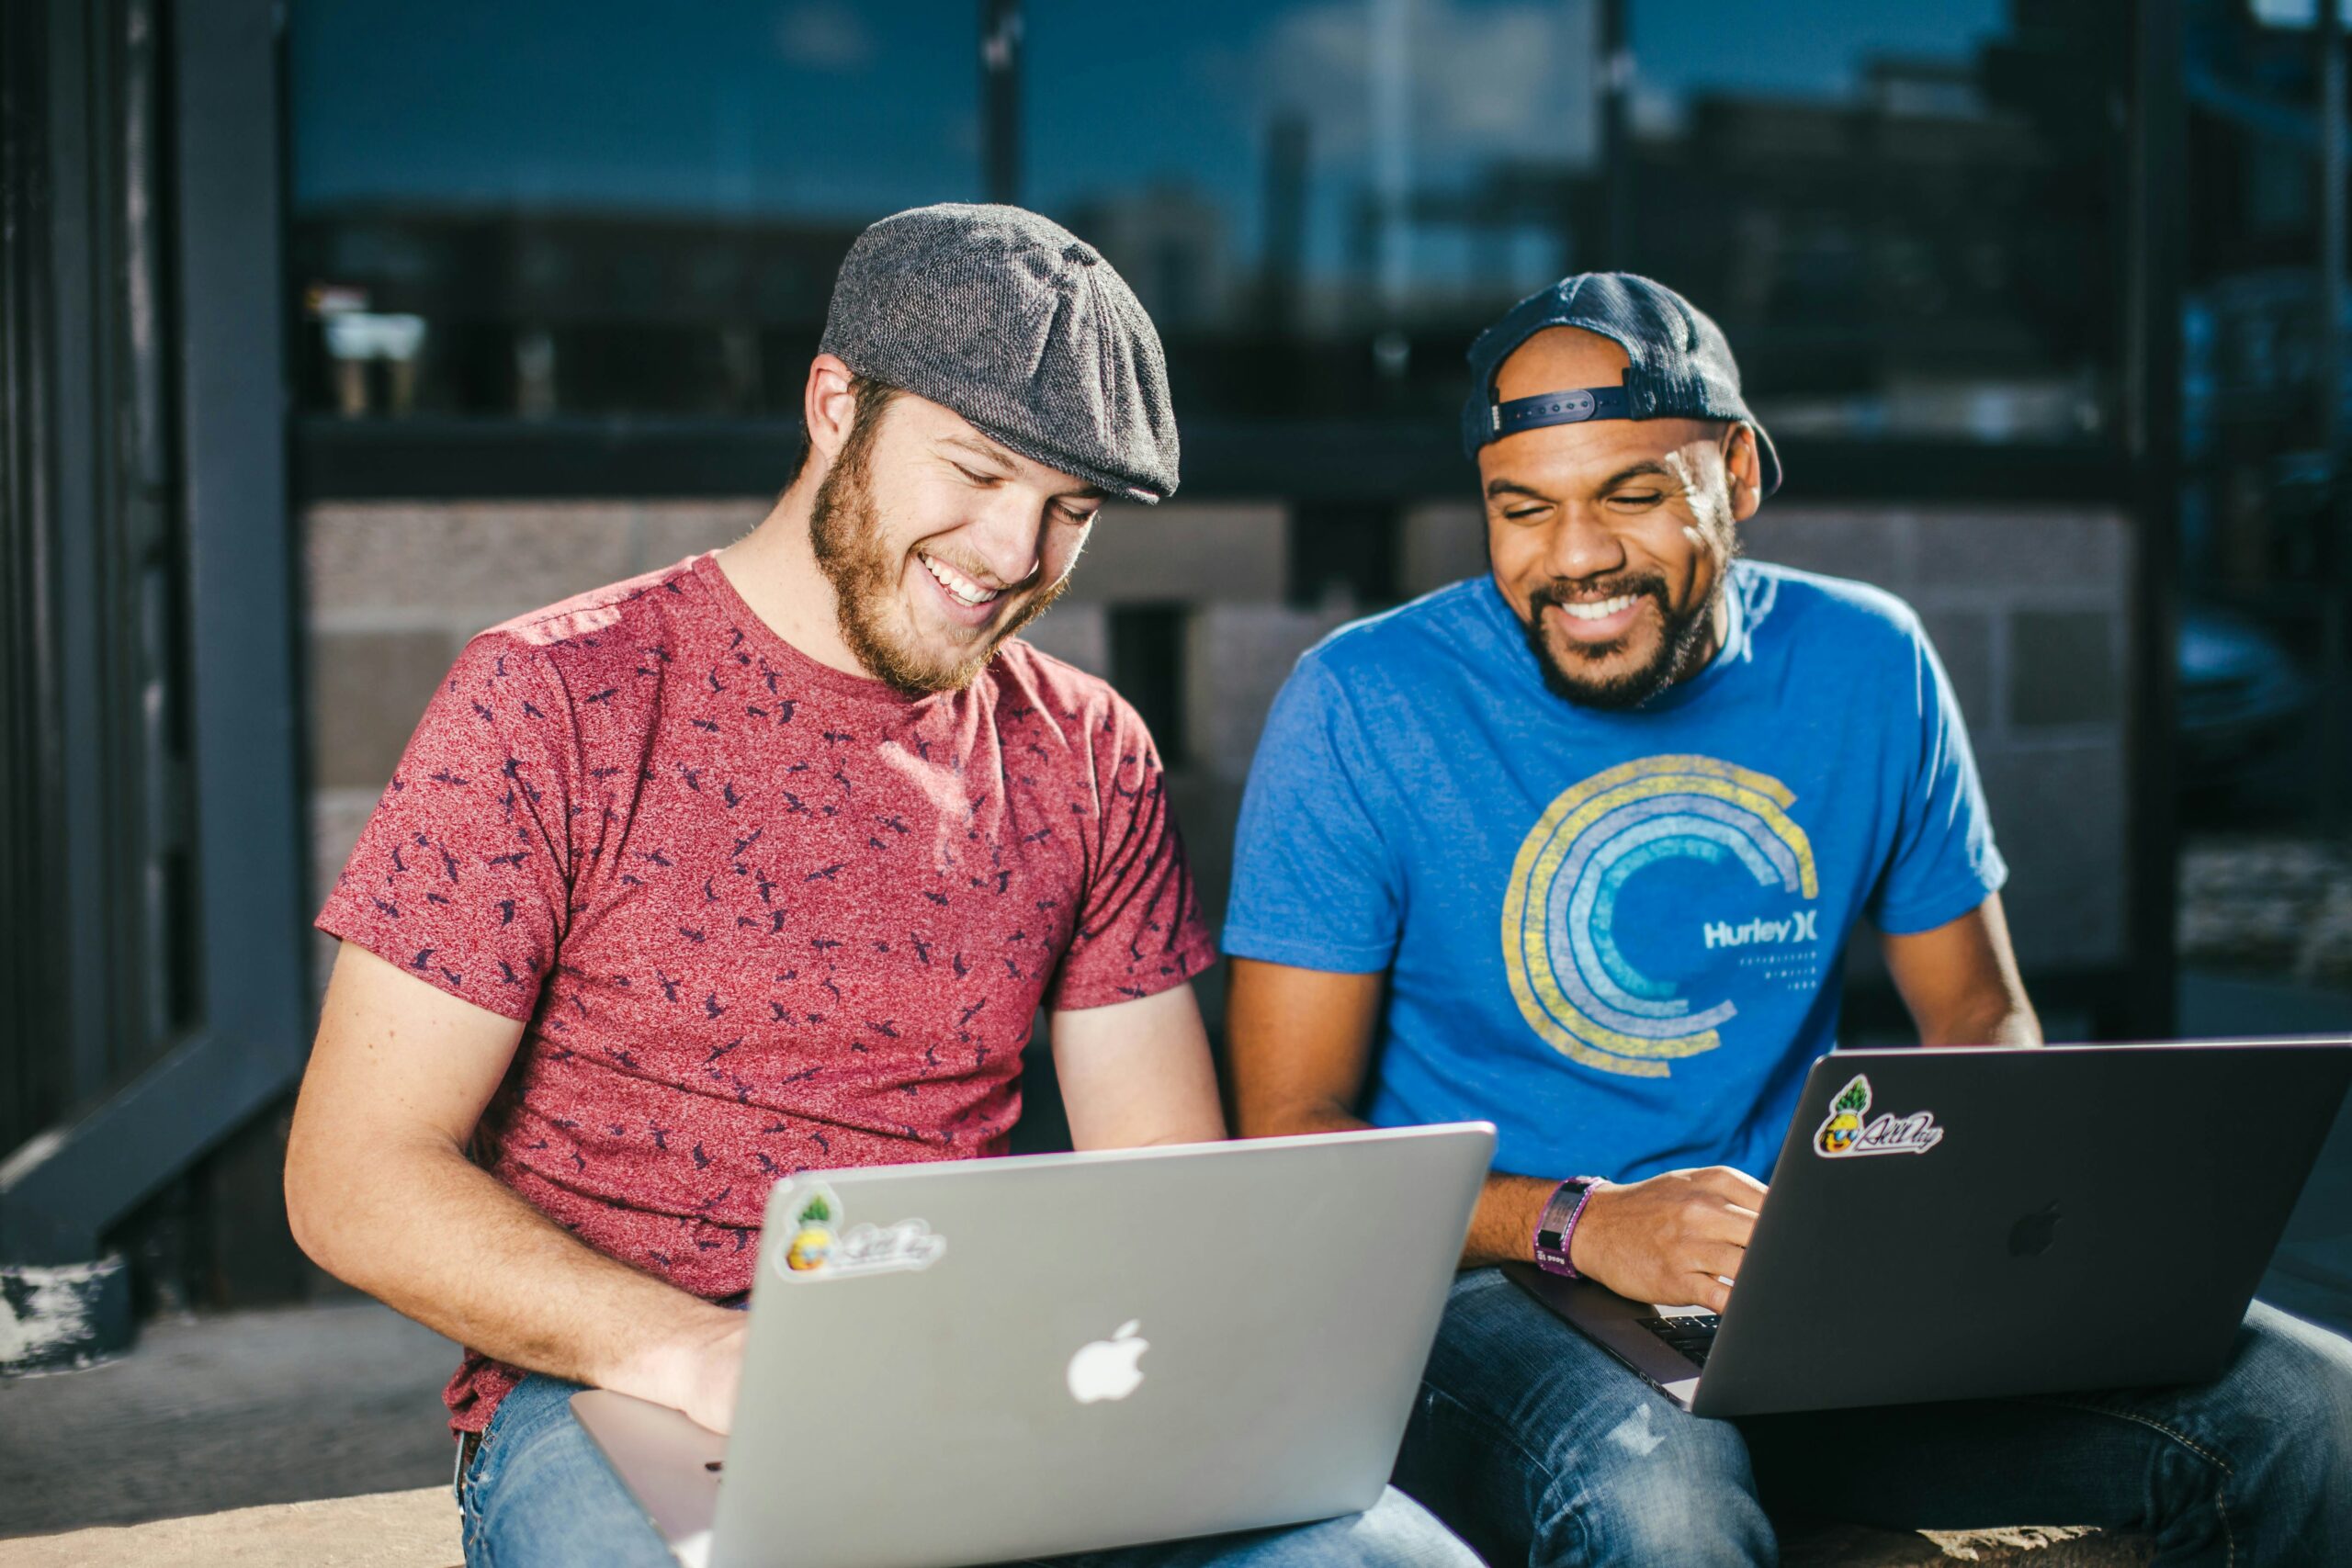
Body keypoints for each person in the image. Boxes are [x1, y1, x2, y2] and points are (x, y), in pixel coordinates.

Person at [285, 204, 1475, 1568]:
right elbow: (353, 1178)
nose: (1015, 554)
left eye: (1069, 511)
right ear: (834, 404)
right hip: (617, 1388)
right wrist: (703, 1355)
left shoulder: (1088, 749)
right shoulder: (552, 695)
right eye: (974, 470)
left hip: (980, 1369)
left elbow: (1161, 1181)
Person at [1222, 271, 2352, 1566]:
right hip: (1486, 1296)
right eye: (1521, 510)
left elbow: (1979, 1011)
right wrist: (1588, 1223)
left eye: (1632, 495)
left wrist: (1958, 1219)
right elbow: (1291, 1130)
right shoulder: (1362, 702)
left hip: (1804, 1294)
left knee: (2308, 1411)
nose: (1575, 557)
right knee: (1666, 1509)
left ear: (1741, 473)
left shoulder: (1870, 660)